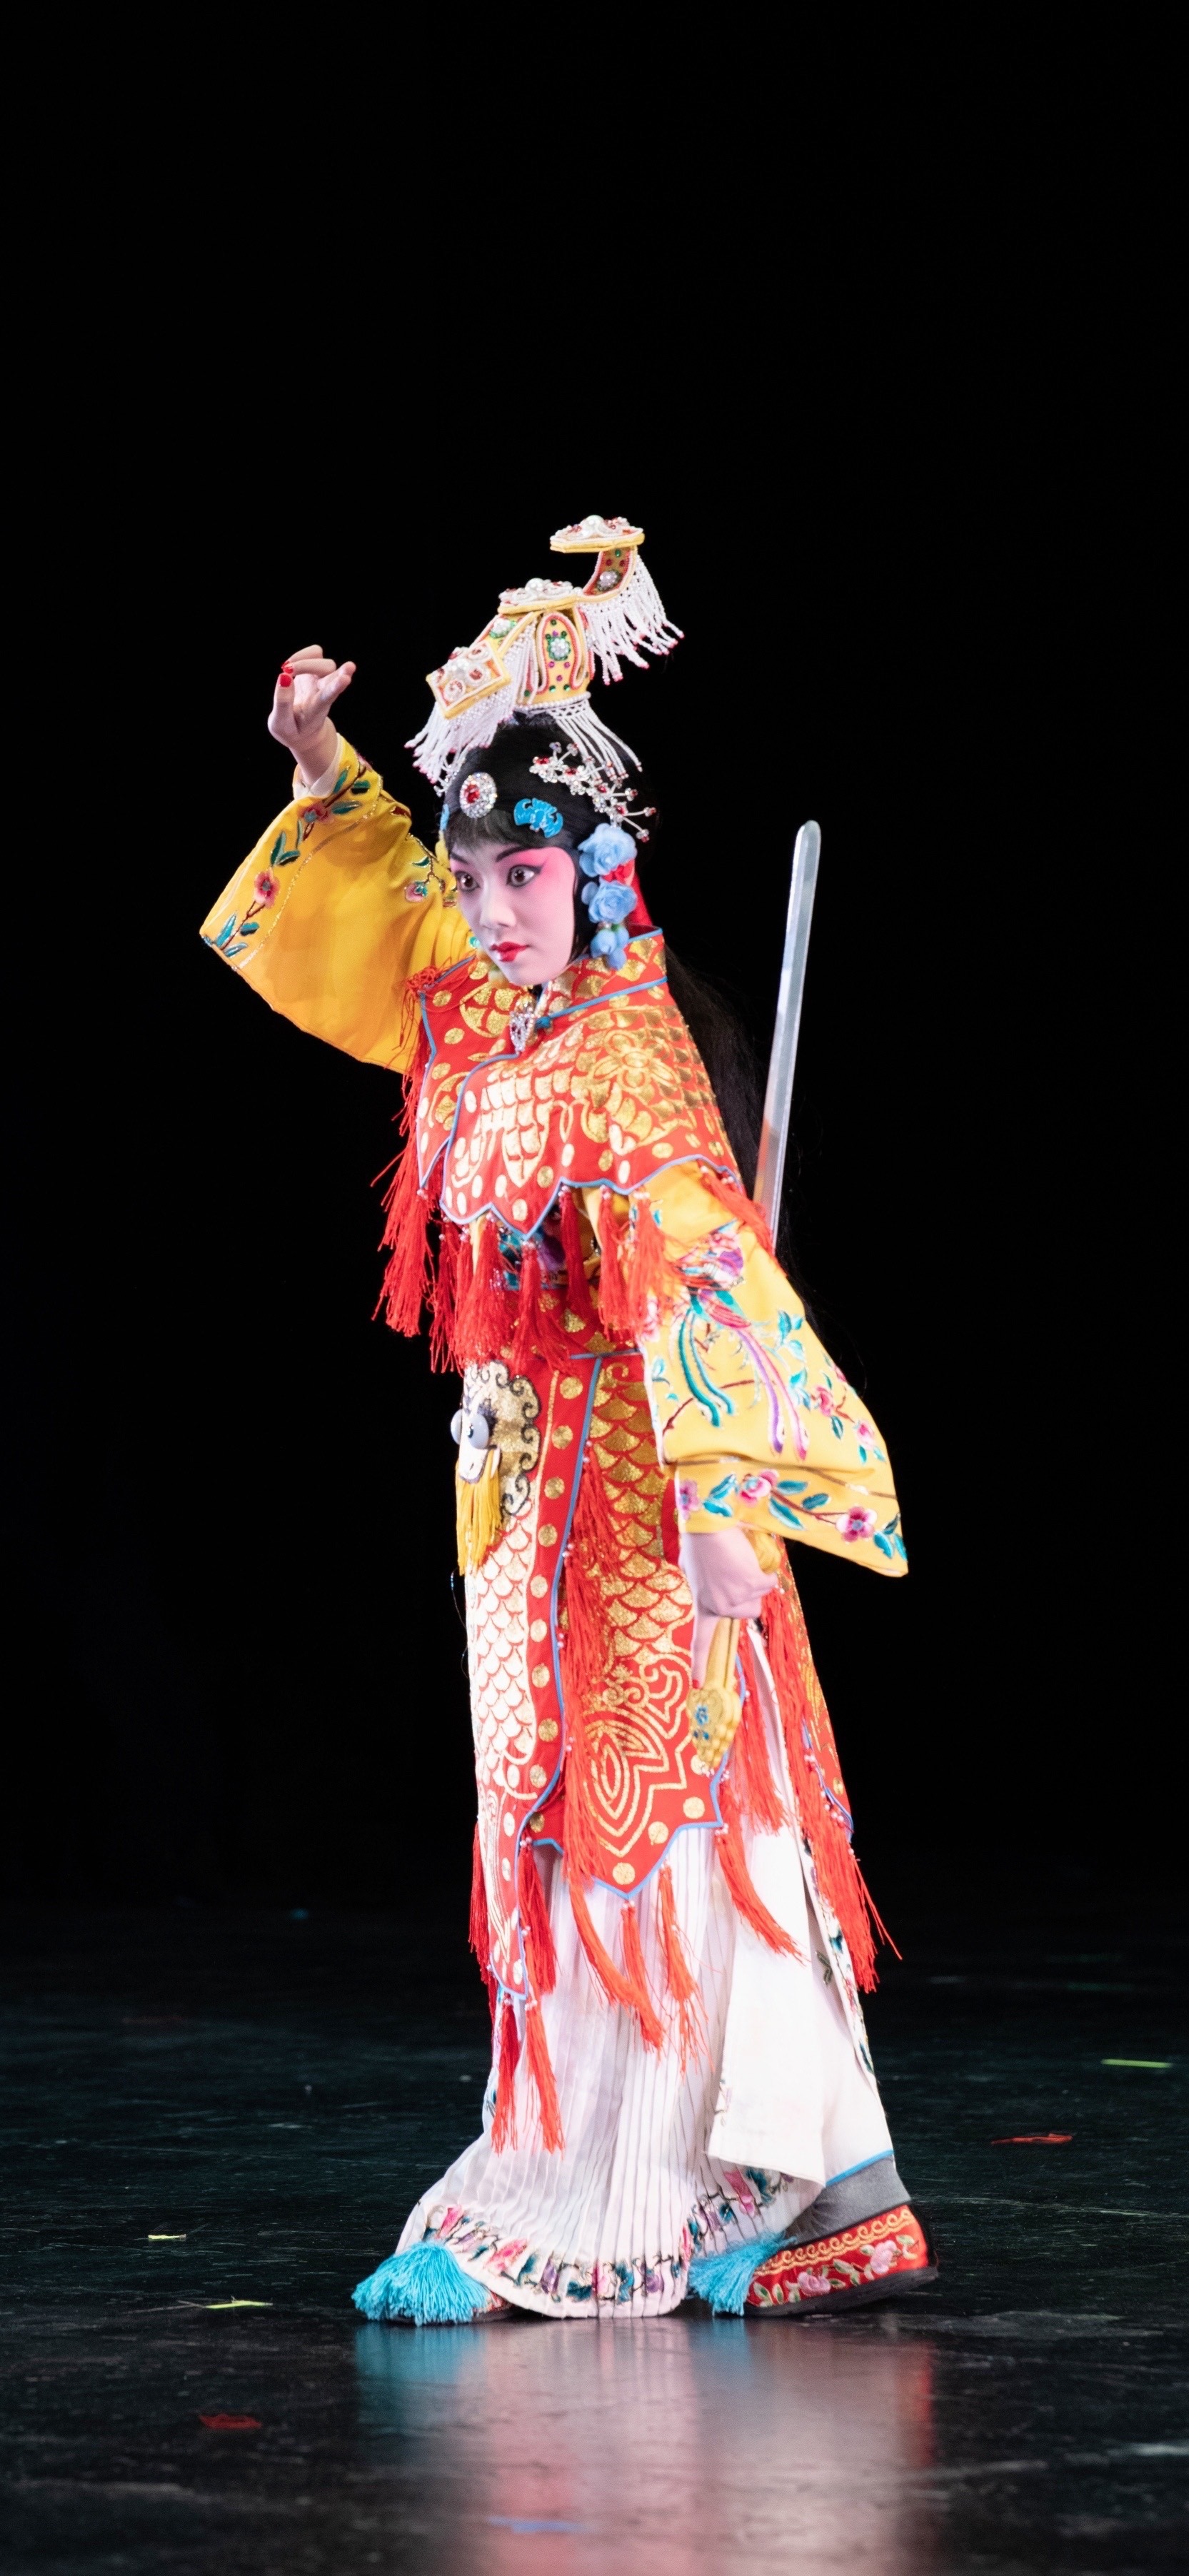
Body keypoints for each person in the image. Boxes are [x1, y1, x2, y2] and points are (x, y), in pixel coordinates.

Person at [201, 517, 933, 2323]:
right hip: (510, 1493)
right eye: (476, 876)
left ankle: (646, 2197)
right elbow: (370, 904)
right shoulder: (471, 1008)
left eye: (525, 873)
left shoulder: (625, 1051)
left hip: (642, 1488)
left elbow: (700, 1270)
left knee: (653, 1822)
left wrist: (720, 1499)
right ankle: (683, 2168)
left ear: (597, 875)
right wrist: (320, 761)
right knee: (534, 1826)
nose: (491, 907)